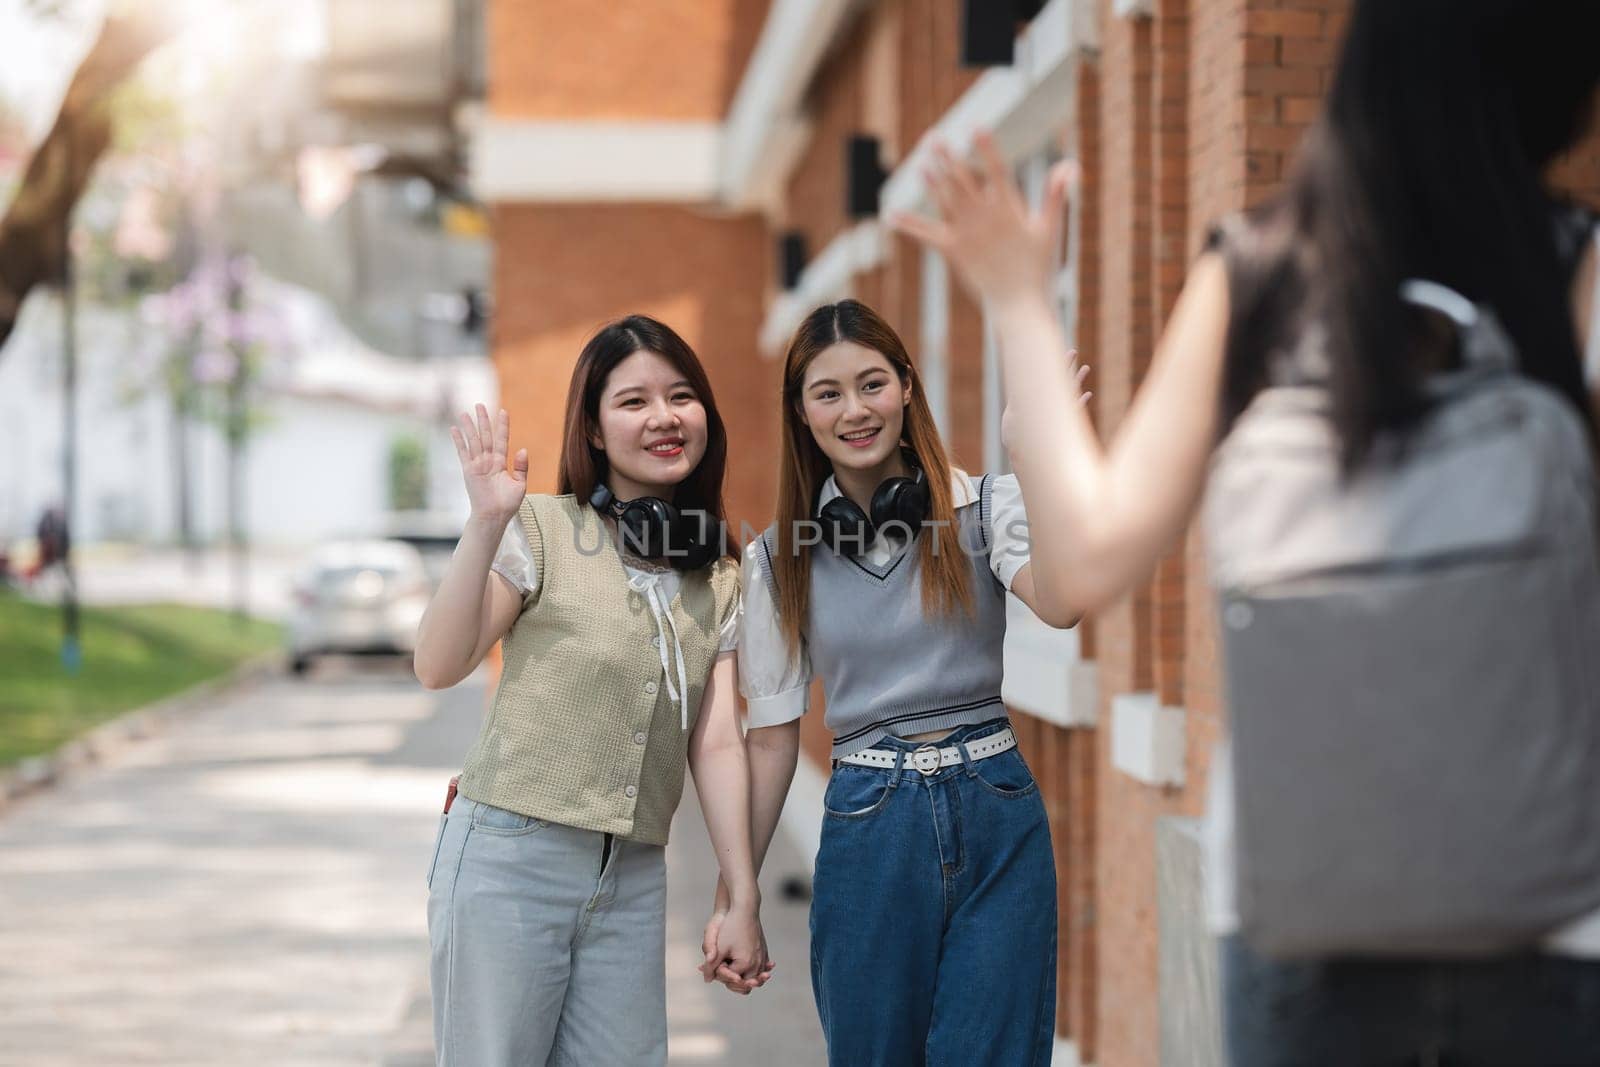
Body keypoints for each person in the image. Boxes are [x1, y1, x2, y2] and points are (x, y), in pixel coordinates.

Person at [894, 1, 1600, 1062]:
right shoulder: (1578, 269)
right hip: (1548, 907)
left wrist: (1019, 301)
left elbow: (1084, 556)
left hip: (1297, 908)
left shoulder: (1257, 275)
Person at [706, 299, 1069, 1064]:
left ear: (907, 387)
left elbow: (1064, 603)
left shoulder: (984, 506)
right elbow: (769, 741)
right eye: (827, 392)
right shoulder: (779, 560)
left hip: (997, 815)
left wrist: (1038, 459)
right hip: (870, 826)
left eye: (871, 383)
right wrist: (736, 898)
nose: (854, 409)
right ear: (801, 412)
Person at [415, 315, 770, 1066]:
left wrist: (741, 894)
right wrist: (484, 524)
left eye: (681, 396)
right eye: (634, 401)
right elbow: (439, 664)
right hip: (513, 857)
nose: (665, 417)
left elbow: (715, 741)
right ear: (596, 430)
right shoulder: (539, 529)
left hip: (634, 873)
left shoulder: (720, 576)